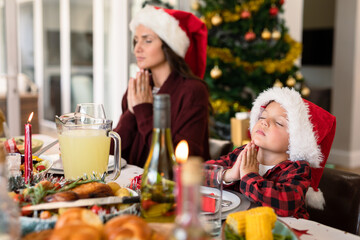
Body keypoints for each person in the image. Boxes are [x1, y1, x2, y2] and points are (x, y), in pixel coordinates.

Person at [206, 87, 336, 219]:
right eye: (262, 116)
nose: (264, 122)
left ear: (297, 139)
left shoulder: (298, 169)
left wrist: (249, 176)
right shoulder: (242, 153)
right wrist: (228, 175)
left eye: (279, 123)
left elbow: (286, 203)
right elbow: (199, 172)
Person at [113, 5, 210, 167]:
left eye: (147, 40)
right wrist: (130, 113)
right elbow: (111, 154)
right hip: (129, 186)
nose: (137, 48)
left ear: (168, 46)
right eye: (136, 41)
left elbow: (178, 161)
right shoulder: (138, 89)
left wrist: (142, 109)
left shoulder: (193, 91)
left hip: (171, 188)